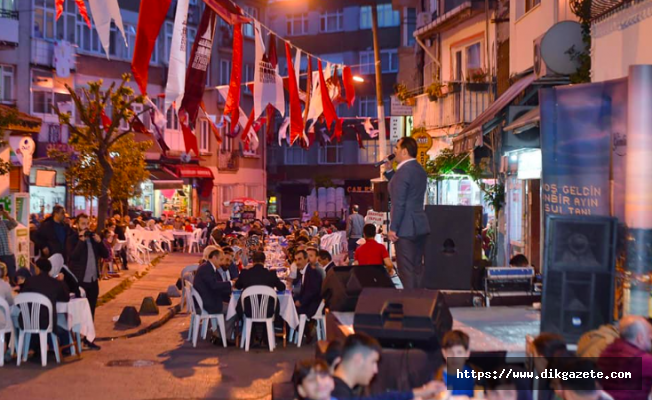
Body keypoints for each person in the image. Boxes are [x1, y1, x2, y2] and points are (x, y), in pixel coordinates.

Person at [332, 333, 445, 400]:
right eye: (373, 362)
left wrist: (420, 392)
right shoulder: (336, 394)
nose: (376, 370)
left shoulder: (339, 390)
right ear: (358, 359)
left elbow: (380, 398)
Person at [383, 137, 430, 290]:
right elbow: (404, 188)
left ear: (404, 151)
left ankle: (411, 303)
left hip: (404, 228)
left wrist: (393, 228)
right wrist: (390, 171)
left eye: (396, 147)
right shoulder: (419, 170)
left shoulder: (403, 173)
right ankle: (421, 301)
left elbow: (399, 203)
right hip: (419, 225)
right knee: (417, 268)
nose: (394, 151)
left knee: (406, 270)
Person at [66, 213, 108, 350]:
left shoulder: (93, 239)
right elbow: (73, 257)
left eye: (87, 223)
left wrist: (99, 242)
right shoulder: (72, 239)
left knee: (91, 310)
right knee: (78, 313)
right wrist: (81, 241)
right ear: (77, 225)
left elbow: (106, 255)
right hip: (79, 281)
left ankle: (89, 339)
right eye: (83, 223)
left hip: (93, 279)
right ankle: (77, 340)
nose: (85, 226)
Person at [599, 315, 652, 400]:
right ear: (640, 338)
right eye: (649, 334)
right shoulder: (644, 360)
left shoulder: (605, 353)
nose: (651, 337)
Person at [21, 258, 70, 336]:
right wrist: (62, 282)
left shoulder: (29, 281)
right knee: (61, 322)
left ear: (38, 268)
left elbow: (22, 298)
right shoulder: (55, 283)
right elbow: (66, 298)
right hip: (47, 321)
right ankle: (50, 344)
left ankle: (29, 346)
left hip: (28, 321)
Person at [193, 248, 233, 339]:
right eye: (221, 259)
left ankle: (221, 333)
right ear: (214, 258)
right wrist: (230, 283)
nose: (222, 262)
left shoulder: (206, 267)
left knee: (230, 306)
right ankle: (221, 335)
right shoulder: (207, 268)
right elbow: (214, 285)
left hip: (206, 301)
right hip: (206, 304)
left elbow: (213, 285)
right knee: (233, 310)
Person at [434, 330, 480, 397]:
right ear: (444, 353)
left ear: (467, 353)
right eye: (450, 352)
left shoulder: (476, 377)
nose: (455, 357)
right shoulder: (435, 377)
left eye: (459, 352)